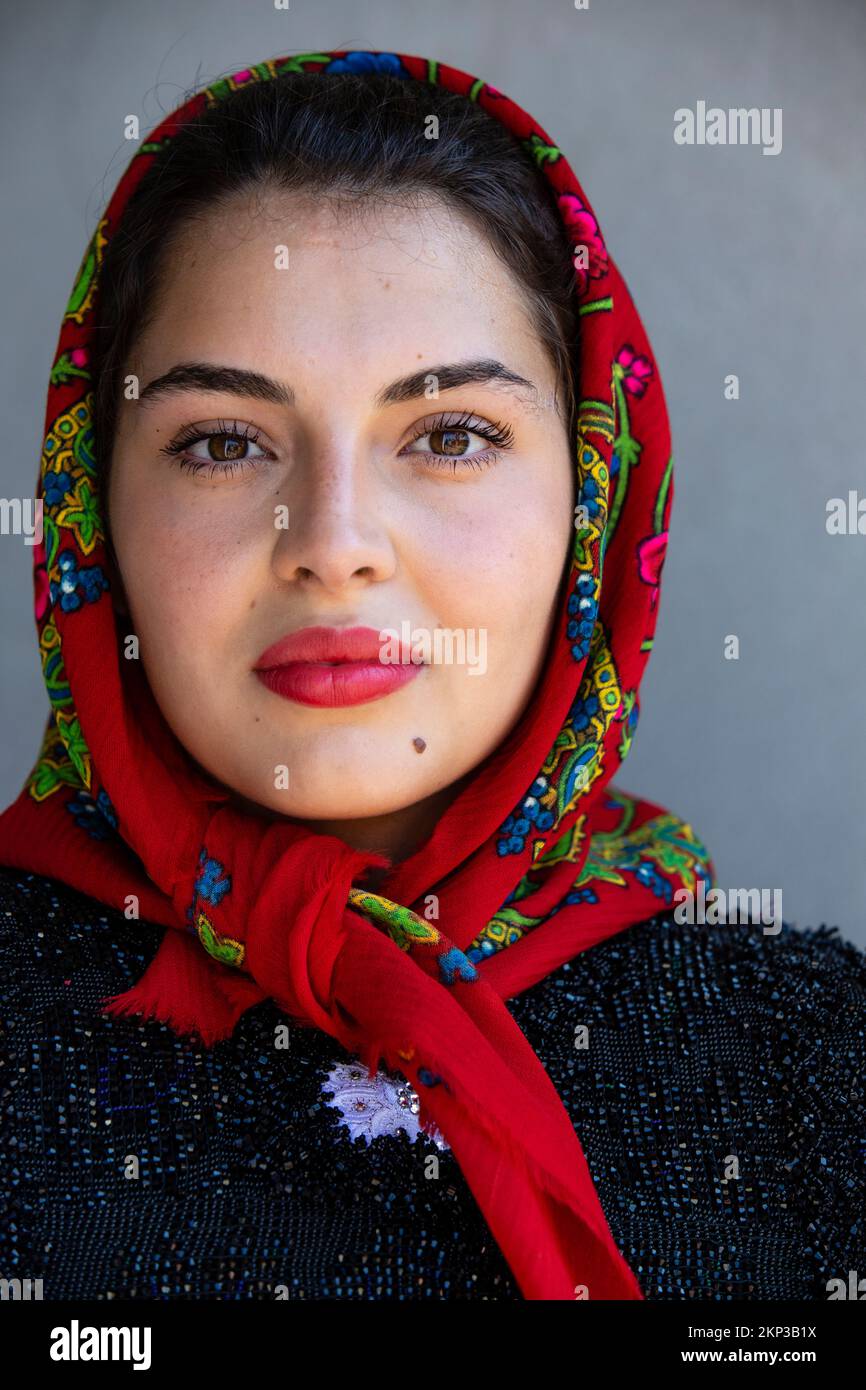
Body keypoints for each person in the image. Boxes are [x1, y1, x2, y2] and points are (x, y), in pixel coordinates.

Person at [0, 48, 863, 1302]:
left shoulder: (818, 1069)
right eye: (224, 442)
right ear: (91, 511)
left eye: (450, 434)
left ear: (592, 497)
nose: (334, 545)